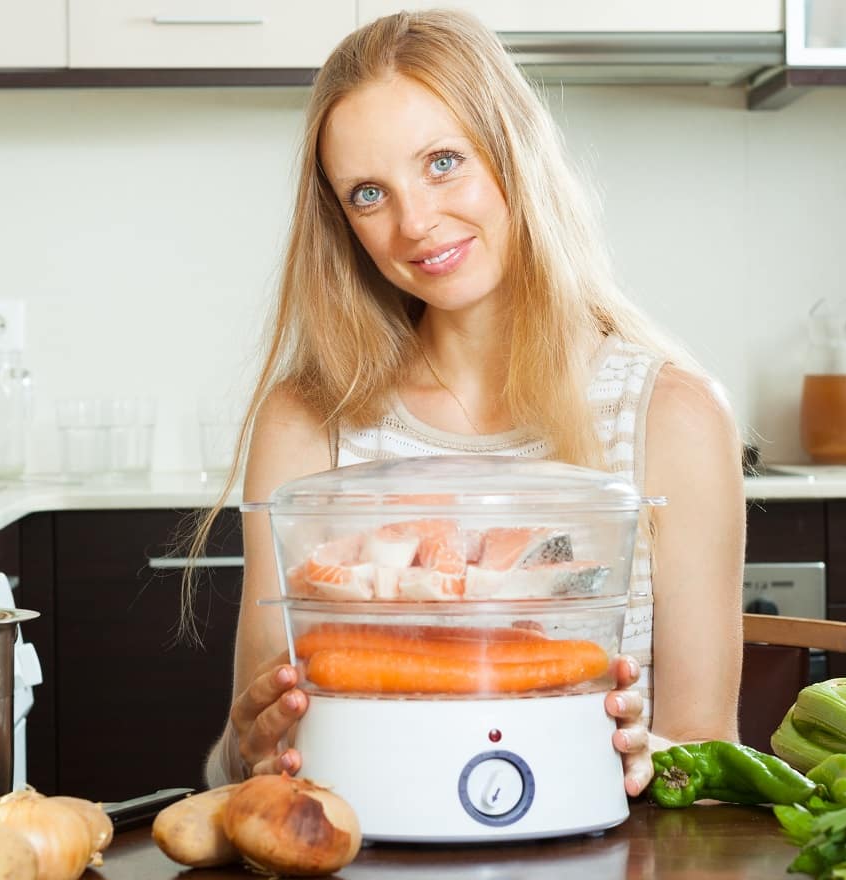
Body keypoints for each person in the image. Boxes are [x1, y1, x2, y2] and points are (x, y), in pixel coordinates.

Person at [196, 8, 744, 796]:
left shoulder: (673, 418)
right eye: (368, 193)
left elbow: (707, 761)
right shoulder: (310, 422)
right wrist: (249, 747)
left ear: (513, 153)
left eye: (444, 161)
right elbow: (240, 759)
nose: (415, 222)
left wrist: (645, 755)